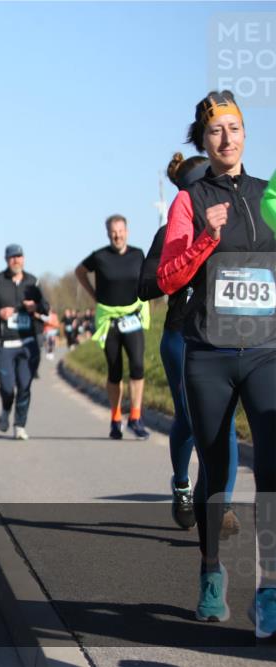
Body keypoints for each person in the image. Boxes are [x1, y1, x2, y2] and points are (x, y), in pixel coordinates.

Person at [157, 91, 275, 633]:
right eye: (215, 130)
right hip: (209, 353)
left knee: (271, 469)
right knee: (217, 468)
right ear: (202, 141)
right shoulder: (190, 199)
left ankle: (269, 588)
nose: (226, 138)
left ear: (245, 133)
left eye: (234, 128)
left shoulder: (268, 194)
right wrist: (206, 237)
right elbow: (168, 278)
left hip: (266, 350)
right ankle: (210, 572)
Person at [138, 152, 239, 534]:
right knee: (190, 418)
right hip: (181, 336)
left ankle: (221, 506)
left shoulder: (236, 226)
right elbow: (146, 286)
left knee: (225, 422)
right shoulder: (170, 232)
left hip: (227, 335)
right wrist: (187, 264)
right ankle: (182, 484)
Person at [75, 215, 151, 440]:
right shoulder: (100, 256)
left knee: (137, 366)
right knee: (114, 370)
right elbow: (80, 271)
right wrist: (94, 295)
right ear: (108, 233)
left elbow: (147, 278)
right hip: (109, 321)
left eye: (120, 231)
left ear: (127, 231)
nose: (117, 236)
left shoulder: (138, 254)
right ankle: (116, 418)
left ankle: (135, 417)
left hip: (133, 318)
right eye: (113, 232)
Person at [0, 244, 48, 441]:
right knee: (8, 388)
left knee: (24, 386)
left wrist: (35, 306)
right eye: (12, 257)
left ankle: (19, 425)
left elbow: (46, 307)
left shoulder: (33, 282)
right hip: (4, 344)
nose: (16, 260)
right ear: (6, 260)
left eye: (19, 257)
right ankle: (6, 408)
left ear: (23, 259)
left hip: (28, 342)